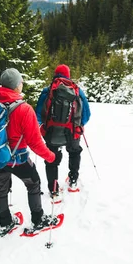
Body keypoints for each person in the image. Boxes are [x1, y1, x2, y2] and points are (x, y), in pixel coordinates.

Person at [0, 68, 59, 238]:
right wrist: (51, 157)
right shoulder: (24, 109)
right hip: (18, 159)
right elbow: (35, 143)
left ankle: (5, 221)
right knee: (34, 183)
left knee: (2, 187)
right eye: (20, 82)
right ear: (15, 86)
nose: (22, 84)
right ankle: (38, 220)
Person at [36, 64, 91, 200]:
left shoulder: (48, 90)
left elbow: (38, 114)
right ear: (68, 75)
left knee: (51, 158)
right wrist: (80, 125)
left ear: (55, 74)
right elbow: (87, 114)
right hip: (72, 131)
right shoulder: (77, 91)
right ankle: (73, 181)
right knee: (74, 152)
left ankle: (54, 190)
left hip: (52, 131)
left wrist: (43, 126)